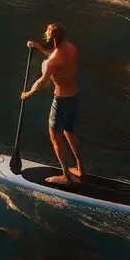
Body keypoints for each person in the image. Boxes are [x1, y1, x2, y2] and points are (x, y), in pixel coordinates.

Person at [22, 23, 83, 184]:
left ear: (53, 38)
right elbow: (56, 58)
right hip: (74, 97)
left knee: (55, 136)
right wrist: (39, 48)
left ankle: (66, 176)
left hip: (61, 100)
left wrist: (28, 94)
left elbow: (42, 81)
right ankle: (80, 169)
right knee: (69, 131)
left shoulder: (52, 62)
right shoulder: (72, 49)